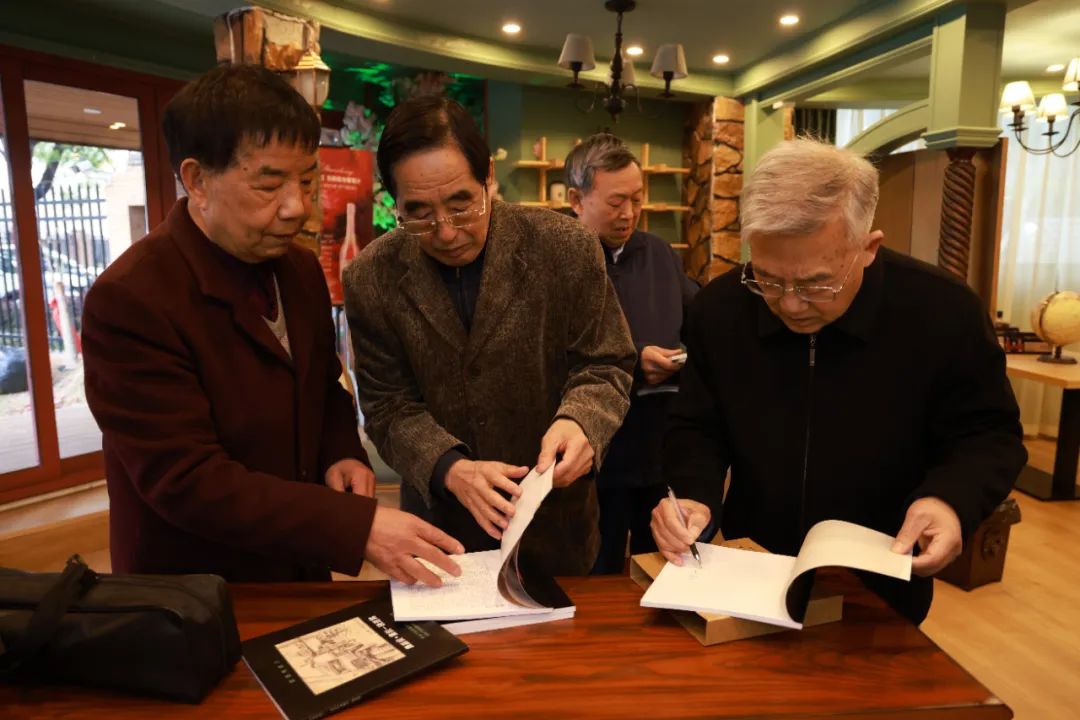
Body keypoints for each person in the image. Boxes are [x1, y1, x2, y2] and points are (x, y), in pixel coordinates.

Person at [82, 65, 463, 587]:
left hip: (297, 567)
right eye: (268, 184)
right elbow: (185, 479)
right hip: (195, 586)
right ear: (197, 180)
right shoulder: (132, 298)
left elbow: (322, 386)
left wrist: (341, 451)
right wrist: (356, 527)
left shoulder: (298, 269)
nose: (296, 207)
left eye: (307, 180)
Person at [650, 138, 1026, 623]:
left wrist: (951, 501)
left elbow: (989, 434)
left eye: (816, 282)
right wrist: (693, 494)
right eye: (767, 277)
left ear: (868, 248)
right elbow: (696, 425)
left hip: (883, 580)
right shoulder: (719, 309)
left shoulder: (943, 311)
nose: (789, 304)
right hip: (754, 567)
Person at [344, 96, 635, 576]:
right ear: (394, 201)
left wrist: (582, 421)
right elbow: (386, 405)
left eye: (461, 205)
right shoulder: (371, 277)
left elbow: (605, 362)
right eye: (418, 213)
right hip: (440, 533)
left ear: (489, 179)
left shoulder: (565, 247)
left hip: (554, 525)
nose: (445, 232)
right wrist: (448, 468)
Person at [564, 134, 699, 574]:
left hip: (658, 447)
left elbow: (696, 319)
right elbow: (552, 353)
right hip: (594, 455)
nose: (629, 213)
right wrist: (637, 363)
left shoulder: (658, 253)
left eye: (637, 200)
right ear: (576, 200)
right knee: (593, 571)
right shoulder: (558, 261)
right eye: (616, 202)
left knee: (659, 567)